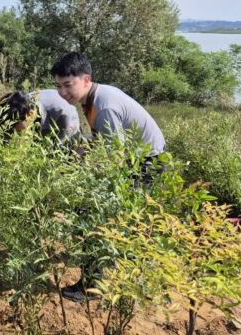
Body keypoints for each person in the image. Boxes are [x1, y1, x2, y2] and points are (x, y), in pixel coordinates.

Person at [51, 51, 166, 302]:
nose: (62, 92)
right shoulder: (93, 97)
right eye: (58, 86)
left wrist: (84, 180)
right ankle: (124, 272)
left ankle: (92, 287)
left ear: (85, 79)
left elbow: (115, 158)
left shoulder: (104, 105)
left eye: (67, 85)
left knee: (93, 215)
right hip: (137, 158)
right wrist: (81, 151)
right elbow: (104, 140)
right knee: (117, 219)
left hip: (145, 163)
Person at [0, 89, 80, 142]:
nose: (13, 132)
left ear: (30, 115)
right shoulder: (20, 103)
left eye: (14, 129)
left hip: (69, 130)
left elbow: (57, 153)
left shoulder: (63, 116)